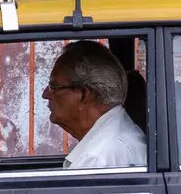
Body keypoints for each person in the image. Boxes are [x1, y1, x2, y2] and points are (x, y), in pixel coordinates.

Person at [42, 42, 148, 170]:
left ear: (84, 94)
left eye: (54, 86)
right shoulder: (114, 137)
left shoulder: (98, 159)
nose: (45, 94)